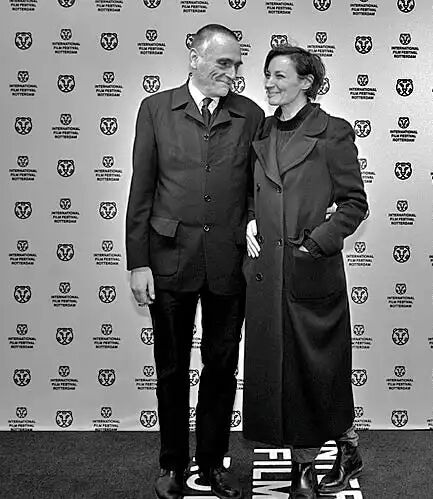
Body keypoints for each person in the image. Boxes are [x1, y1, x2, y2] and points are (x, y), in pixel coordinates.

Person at [126, 24, 264, 499]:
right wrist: (138, 262)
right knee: (170, 369)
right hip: (169, 259)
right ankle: (172, 465)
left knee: (221, 368)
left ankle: (211, 464)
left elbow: (257, 188)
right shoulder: (155, 110)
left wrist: (254, 219)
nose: (233, 72)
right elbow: (142, 190)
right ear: (195, 58)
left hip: (228, 261)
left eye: (237, 64)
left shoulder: (250, 114)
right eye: (223, 63)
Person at [243, 45, 368, 499]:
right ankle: (331, 453)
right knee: (280, 373)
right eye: (267, 74)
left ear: (306, 82)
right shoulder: (262, 130)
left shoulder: (333, 132)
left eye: (280, 75)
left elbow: (354, 203)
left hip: (310, 271)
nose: (269, 83)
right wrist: (250, 218)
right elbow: (254, 191)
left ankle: (310, 465)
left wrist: (316, 243)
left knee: (318, 373)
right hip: (266, 275)